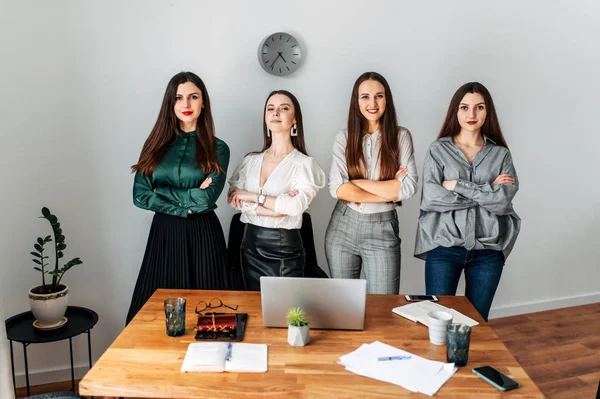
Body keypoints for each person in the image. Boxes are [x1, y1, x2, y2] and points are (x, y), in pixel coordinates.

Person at [127, 71, 230, 324]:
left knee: (209, 317)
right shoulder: (154, 145)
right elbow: (140, 196)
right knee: (153, 318)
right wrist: (188, 201)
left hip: (203, 235)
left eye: (193, 97)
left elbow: (205, 201)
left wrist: (160, 191)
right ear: (170, 103)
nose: (186, 104)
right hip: (164, 235)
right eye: (178, 98)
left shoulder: (218, 148)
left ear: (203, 102)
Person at [415, 82, 520, 321]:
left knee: (476, 323)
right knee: (437, 322)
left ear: (488, 111)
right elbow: (431, 197)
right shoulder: (438, 150)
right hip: (443, 247)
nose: (471, 114)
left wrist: (456, 185)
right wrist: (487, 191)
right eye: (464, 107)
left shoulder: (501, 154)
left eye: (479, 107)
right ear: (456, 111)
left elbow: (503, 202)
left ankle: (469, 361)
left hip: (487, 251)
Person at [325, 72, 418, 294]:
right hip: (342, 227)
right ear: (356, 102)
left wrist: (357, 182)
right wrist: (388, 192)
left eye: (379, 96)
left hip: (382, 228)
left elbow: (407, 188)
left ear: (387, 99)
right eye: (365, 97)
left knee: (384, 308)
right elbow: (337, 188)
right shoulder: (344, 138)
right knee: (344, 307)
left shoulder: (401, 136)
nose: (372, 103)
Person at [228, 90, 325, 291]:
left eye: (284, 108)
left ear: (294, 119)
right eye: (270, 109)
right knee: (254, 312)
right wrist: (272, 205)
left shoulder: (304, 164)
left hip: (284, 248)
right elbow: (234, 198)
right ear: (265, 118)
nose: (276, 113)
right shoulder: (250, 161)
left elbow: (294, 206)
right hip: (249, 246)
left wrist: (253, 197)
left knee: (284, 314)